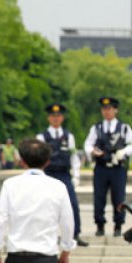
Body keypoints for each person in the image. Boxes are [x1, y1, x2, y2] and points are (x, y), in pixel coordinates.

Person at [37, 103, 88, 247]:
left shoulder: (68, 136)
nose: (55, 118)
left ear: (62, 118)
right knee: (44, 205)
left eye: (58, 116)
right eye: (53, 116)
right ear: (48, 118)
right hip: (47, 174)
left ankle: (75, 234)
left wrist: (76, 176)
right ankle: (44, 234)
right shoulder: (42, 137)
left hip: (64, 174)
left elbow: (74, 157)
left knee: (72, 204)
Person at [84, 96, 132, 237]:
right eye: (104, 109)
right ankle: (99, 225)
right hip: (101, 167)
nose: (107, 112)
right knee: (99, 197)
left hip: (118, 168)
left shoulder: (124, 128)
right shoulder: (96, 128)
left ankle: (118, 225)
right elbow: (88, 144)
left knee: (119, 197)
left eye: (109, 109)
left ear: (116, 110)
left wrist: (123, 152)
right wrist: (92, 151)